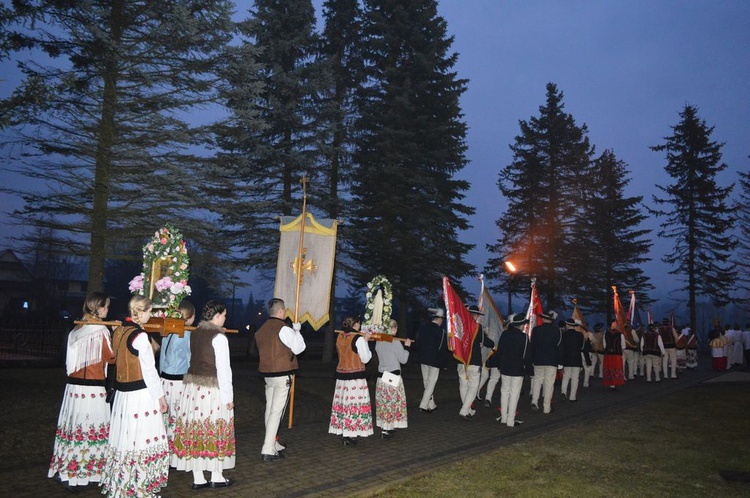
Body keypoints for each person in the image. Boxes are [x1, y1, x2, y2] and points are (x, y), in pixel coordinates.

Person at [100, 295, 169, 497]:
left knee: (126, 437)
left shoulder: (120, 330)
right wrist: (160, 397)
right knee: (141, 438)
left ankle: (125, 483)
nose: (151, 315)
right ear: (140, 311)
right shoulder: (139, 336)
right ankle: (140, 486)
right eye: (149, 311)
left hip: (123, 394)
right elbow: (149, 370)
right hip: (140, 395)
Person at [48, 292, 115, 488]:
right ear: (99, 308)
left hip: (73, 388)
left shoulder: (77, 329)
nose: (108, 310)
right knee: (88, 429)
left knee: (73, 429)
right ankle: (83, 474)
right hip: (92, 390)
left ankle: (67, 470)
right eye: (107, 307)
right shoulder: (100, 330)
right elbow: (110, 358)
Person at [172, 300, 235, 489]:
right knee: (215, 427)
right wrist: (228, 397)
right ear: (216, 316)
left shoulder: (195, 333)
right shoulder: (219, 337)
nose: (225, 318)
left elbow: (192, 360)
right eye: (224, 315)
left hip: (194, 389)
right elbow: (224, 370)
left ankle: (198, 477)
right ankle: (216, 475)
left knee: (197, 429)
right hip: (212, 390)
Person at [254, 298, 306, 461]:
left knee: (271, 409)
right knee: (277, 411)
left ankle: (272, 442)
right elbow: (299, 348)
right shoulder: (283, 329)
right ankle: (268, 448)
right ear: (281, 311)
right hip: (282, 373)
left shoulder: (261, 330)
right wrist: (297, 331)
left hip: (268, 374)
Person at [159, 299, 195, 467]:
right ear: (190, 317)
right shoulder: (185, 333)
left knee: (167, 419)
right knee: (178, 418)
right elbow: (189, 358)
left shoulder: (168, 330)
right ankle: (175, 457)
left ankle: (165, 453)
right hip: (178, 381)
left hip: (165, 379)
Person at [329, 316, 373, 445]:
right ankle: (350, 434)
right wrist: (366, 341)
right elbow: (366, 359)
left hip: (342, 376)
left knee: (343, 405)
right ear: (357, 324)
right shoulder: (357, 338)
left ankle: (344, 431)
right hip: (355, 377)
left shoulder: (341, 336)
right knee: (353, 405)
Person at [374, 319, 412, 439]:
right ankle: (386, 429)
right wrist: (407, 348)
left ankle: (388, 426)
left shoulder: (379, 341)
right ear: (393, 329)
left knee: (384, 402)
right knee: (391, 402)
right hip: (391, 376)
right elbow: (403, 360)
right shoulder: (395, 342)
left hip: (381, 376)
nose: (396, 330)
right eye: (395, 328)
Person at [457, 305, 495, 420]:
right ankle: (464, 410)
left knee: (463, 385)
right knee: (473, 387)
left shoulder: (459, 326)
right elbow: (487, 342)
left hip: (461, 360)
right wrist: (490, 340)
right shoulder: (477, 327)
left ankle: (467, 409)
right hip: (473, 361)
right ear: (477, 315)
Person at [495, 313, 530, 427]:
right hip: (518, 369)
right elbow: (526, 355)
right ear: (520, 325)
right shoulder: (524, 337)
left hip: (505, 368)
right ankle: (511, 420)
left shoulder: (505, 334)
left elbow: (499, 352)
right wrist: (529, 370)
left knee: (504, 392)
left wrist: (499, 365)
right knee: (514, 394)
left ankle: (504, 418)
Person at [416, 308, 448, 413]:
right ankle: (423, 405)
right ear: (438, 319)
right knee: (431, 383)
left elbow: (419, 343)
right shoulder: (441, 331)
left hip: (423, 358)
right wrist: (444, 363)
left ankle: (431, 404)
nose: (442, 321)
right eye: (442, 319)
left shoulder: (423, 328)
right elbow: (442, 348)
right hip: (434, 360)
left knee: (426, 382)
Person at [528, 310, 561, 414]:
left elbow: (532, 346)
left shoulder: (536, 330)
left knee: (537, 381)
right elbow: (559, 347)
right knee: (548, 384)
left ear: (543, 319)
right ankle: (546, 408)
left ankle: (534, 401)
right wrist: (560, 362)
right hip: (551, 360)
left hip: (538, 360)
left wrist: (532, 359)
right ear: (552, 320)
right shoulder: (557, 331)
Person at [560, 319, 584, 402]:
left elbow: (561, 348)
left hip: (566, 359)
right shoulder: (580, 335)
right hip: (576, 359)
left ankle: (563, 392)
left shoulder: (563, 335)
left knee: (566, 377)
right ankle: (572, 397)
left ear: (567, 325)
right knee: (575, 378)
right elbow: (581, 347)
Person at [603, 322, 626, 390]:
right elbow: (623, 346)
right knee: (616, 368)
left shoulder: (606, 334)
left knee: (609, 368)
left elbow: (604, 345)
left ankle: (611, 384)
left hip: (608, 354)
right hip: (617, 355)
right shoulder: (620, 334)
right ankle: (615, 382)